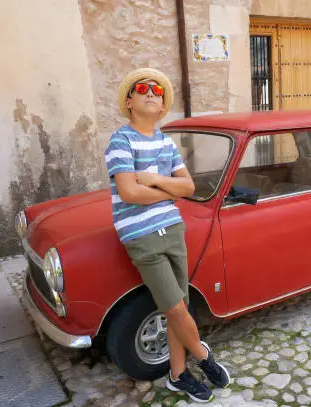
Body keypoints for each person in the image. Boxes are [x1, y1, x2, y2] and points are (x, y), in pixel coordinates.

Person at [104, 68, 230, 403]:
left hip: (172, 229)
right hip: (141, 234)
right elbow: (129, 194)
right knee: (174, 308)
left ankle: (177, 375)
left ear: (161, 107)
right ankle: (203, 357)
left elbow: (188, 187)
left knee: (181, 305)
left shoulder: (165, 142)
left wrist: (152, 180)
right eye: (142, 88)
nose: (151, 92)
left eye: (157, 91)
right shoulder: (121, 140)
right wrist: (167, 189)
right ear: (129, 101)